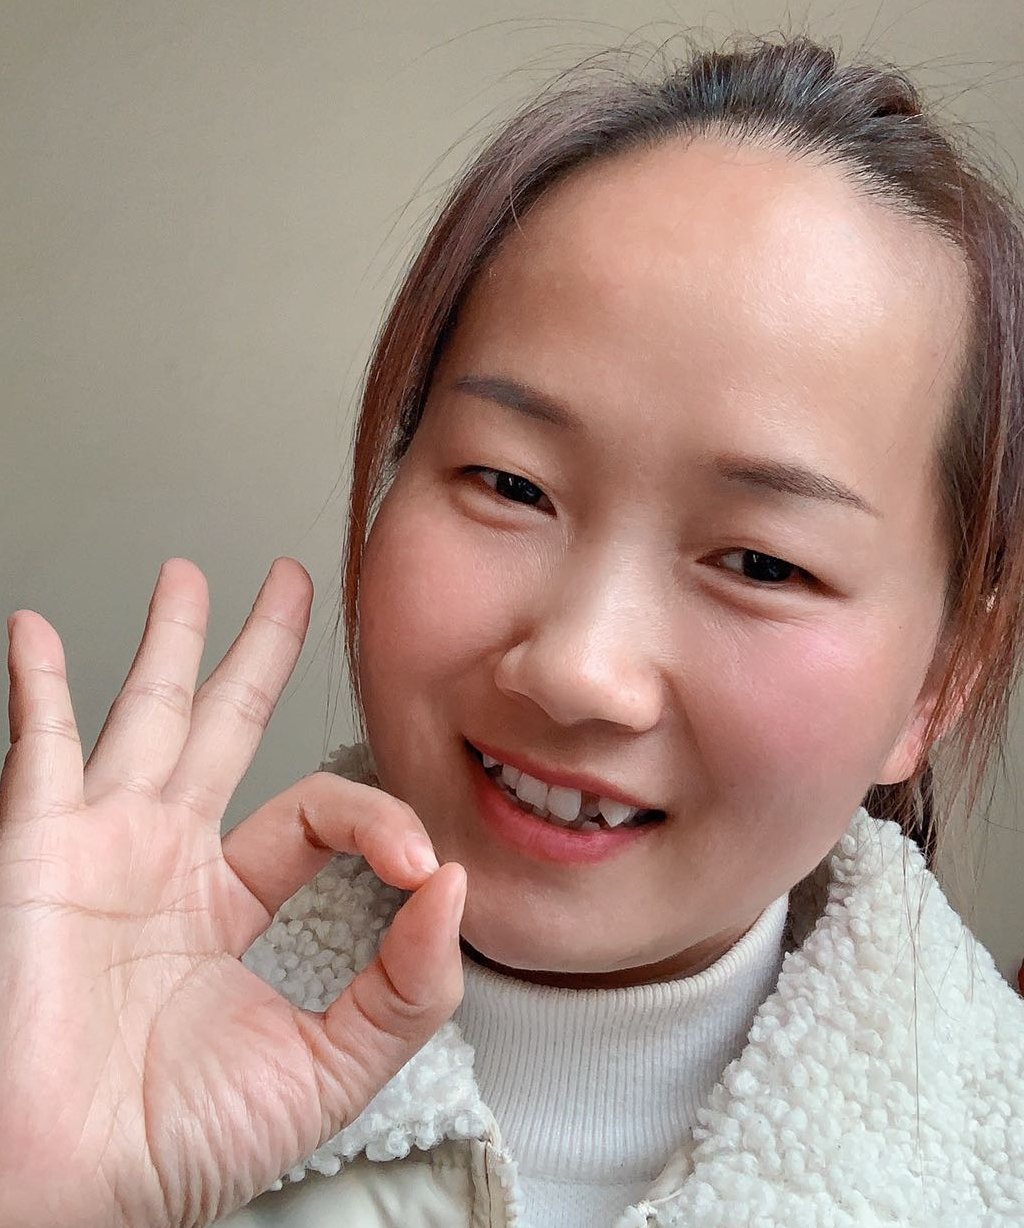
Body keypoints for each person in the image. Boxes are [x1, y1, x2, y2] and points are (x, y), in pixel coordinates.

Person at [3, 30, 1024, 1228]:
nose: (577, 667)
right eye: (510, 484)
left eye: (760, 562)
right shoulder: (80, 1065)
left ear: (940, 678)